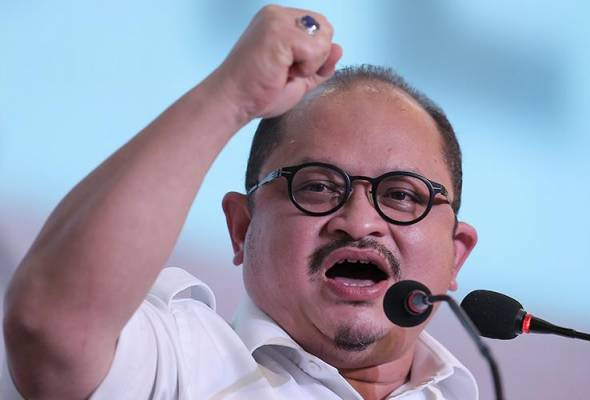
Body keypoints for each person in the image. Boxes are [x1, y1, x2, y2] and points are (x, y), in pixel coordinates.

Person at [1, 5, 478, 400]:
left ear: (455, 255)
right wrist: (231, 96)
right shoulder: (182, 364)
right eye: (317, 187)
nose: (358, 222)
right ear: (242, 229)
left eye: (401, 195)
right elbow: (52, 327)